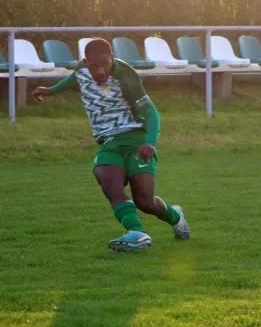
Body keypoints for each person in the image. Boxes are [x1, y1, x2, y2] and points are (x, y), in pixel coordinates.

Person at [32, 38, 190, 252]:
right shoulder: (82, 70)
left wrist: (150, 143)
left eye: (105, 65)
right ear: (86, 62)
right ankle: (137, 232)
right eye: (94, 66)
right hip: (109, 143)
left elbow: (151, 113)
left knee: (144, 200)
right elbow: (75, 78)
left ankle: (175, 216)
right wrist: (51, 90)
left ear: (112, 59)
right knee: (111, 186)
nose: (99, 71)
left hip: (136, 140)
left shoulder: (126, 76)